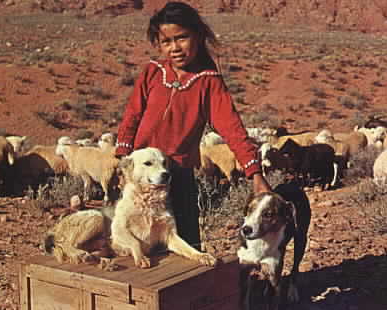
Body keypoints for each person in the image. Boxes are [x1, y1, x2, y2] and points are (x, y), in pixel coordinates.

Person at [115, 1, 271, 248]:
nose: (174, 48)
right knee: (133, 239)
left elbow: (232, 129)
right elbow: (132, 115)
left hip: (176, 177)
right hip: (139, 176)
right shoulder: (153, 72)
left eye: (181, 38)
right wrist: (122, 161)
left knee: (183, 244)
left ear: (197, 36)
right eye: (166, 42)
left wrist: (255, 173)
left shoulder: (208, 82)